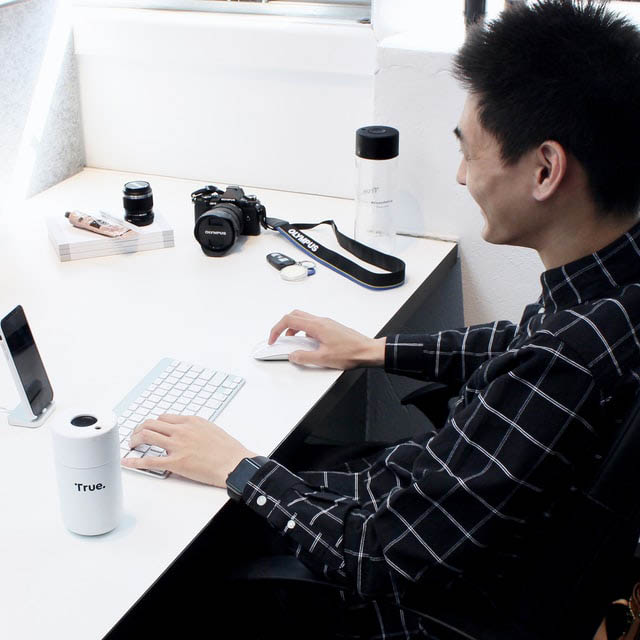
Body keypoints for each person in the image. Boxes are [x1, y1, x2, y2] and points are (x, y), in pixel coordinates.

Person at [122, 1, 640, 637]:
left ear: (545, 169)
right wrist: (378, 349)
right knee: (279, 461)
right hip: (466, 531)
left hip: (421, 599)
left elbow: (380, 555)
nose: (460, 176)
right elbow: (521, 342)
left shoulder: (564, 363)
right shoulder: (612, 291)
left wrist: (237, 466)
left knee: (180, 550)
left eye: (470, 154)